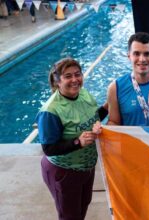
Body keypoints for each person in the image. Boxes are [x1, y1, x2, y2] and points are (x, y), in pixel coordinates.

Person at [36, 57, 108, 220]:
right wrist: (78, 142)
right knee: (70, 216)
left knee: (81, 209)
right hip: (64, 172)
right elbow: (48, 148)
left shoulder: (83, 94)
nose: (75, 80)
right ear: (57, 81)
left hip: (86, 168)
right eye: (68, 76)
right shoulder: (50, 111)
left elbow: (93, 117)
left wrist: (106, 107)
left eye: (78, 74)